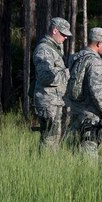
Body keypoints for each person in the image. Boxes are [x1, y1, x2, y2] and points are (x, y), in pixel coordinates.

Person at [66, 27, 102, 158]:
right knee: (89, 156)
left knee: (74, 152)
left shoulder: (76, 57)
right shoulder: (95, 62)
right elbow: (97, 92)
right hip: (91, 115)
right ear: (99, 43)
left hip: (76, 111)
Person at [32, 17, 72, 152]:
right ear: (55, 30)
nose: (66, 38)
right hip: (48, 101)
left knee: (55, 138)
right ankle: (45, 167)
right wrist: (69, 72)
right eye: (63, 34)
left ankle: (50, 166)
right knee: (49, 140)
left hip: (55, 101)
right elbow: (46, 77)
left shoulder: (54, 48)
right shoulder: (44, 49)